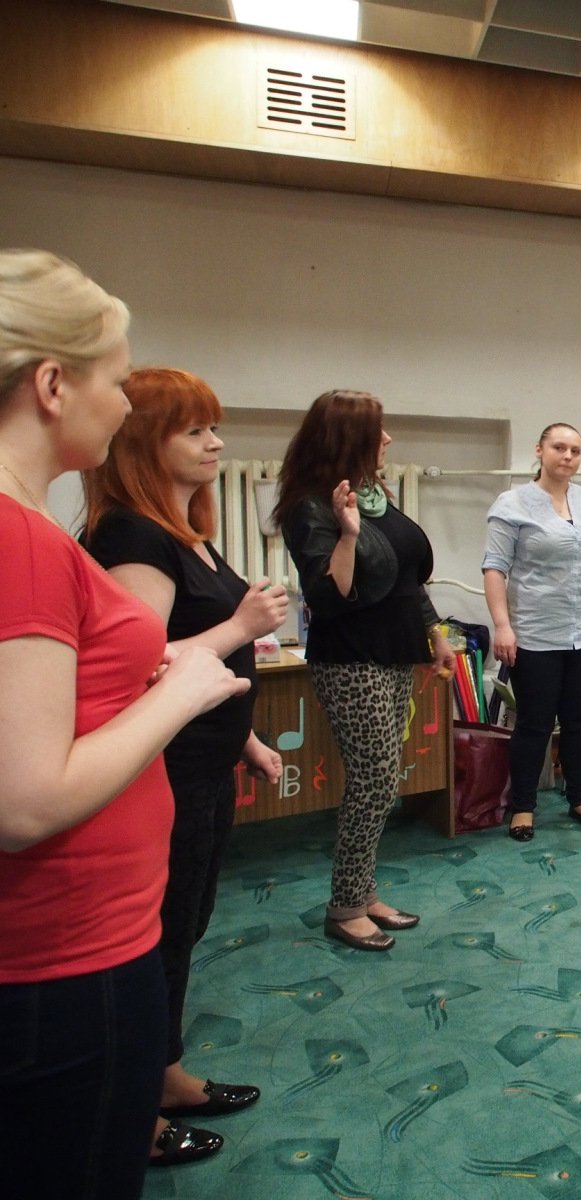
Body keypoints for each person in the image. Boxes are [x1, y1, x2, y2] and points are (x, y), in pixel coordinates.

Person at [0, 249, 248, 1198]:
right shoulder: (23, 539)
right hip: (66, 952)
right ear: (52, 385)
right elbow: (26, 802)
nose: (120, 405)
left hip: (75, 940)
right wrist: (182, 688)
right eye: (114, 379)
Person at [82, 368, 289, 1166]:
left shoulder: (182, 529)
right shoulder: (132, 536)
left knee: (186, 925)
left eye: (214, 427)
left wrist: (246, 740)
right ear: (144, 441)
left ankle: (162, 1076)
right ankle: (135, 1114)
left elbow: (197, 660)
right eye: (195, 430)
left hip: (204, 763)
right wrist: (241, 623)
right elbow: (138, 668)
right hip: (161, 771)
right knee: (160, 935)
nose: (216, 444)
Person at [274, 390, 453, 950]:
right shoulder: (310, 507)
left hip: (395, 652)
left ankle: (364, 892)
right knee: (373, 779)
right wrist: (348, 534)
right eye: (379, 430)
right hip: (350, 658)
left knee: (382, 778)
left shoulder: (375, 495)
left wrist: (436, 635)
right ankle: (346, 906)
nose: (389, 439)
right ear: (348, 438)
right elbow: (330, 595)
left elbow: (407, 580)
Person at [485, 421, 581, 835]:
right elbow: (495, 568)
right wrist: (502, 625)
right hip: (535, 631)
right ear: (539, 450)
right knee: (534, 723)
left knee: (579, 721)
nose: (568, 456)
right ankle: (523, 806)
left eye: (575, 450)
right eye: (559, 447)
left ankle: (580, 798)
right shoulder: (512, 503)